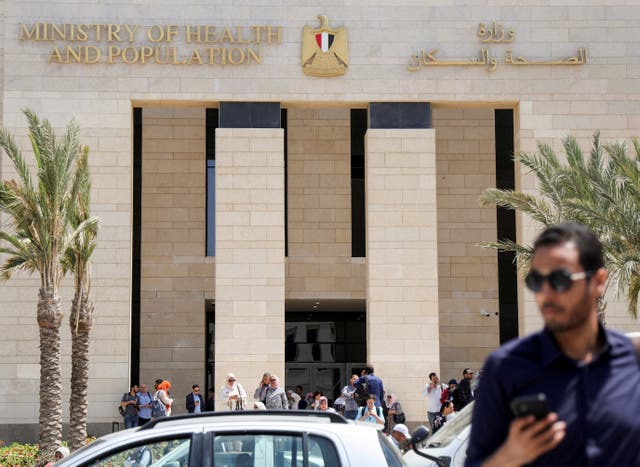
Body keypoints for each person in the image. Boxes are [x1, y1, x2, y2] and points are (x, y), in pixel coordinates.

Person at [466, 222, 640, 467]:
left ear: (599, 281)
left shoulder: (633, 361)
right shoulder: (506, 368)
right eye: (537, 281)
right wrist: (511, 455)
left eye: (560, 279)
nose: (546, 294)